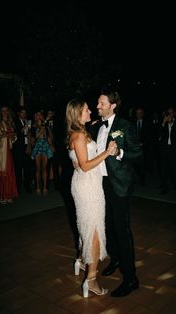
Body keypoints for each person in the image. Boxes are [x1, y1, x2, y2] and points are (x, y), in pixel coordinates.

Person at [89, 87, 143, 297]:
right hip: (99, 184)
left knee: (122, 229)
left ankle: (131, 279)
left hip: (119, 185)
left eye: (101, 103)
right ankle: (116, 258)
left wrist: (119, 152)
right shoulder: (96, 127)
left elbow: (138, 155)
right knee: (108, 228)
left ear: (112, 105)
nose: (97, 106)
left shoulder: (125, 126)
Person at [66, 98, 117, 298]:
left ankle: (80, 259)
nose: (91, 111)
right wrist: (107, 152)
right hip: (88, 187)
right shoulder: (79, 135)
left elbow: (78, 161)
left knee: (86, 226)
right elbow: (85, 165)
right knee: (94, 232)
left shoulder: (80, 132)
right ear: (78, 114)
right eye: (87, 109)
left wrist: (78, 161)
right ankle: (92, 280)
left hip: (88, 184)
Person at [0, 106, 19, 204]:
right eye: (3, 111)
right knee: (2, 171)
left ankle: (8, 195)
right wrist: (7, 135)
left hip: (8, 150)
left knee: (9, 172)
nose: (5, 112)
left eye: (6, 110)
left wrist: (13, 136)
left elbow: (13, 138)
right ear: (0, 112)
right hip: (1, 151)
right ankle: (2, 196)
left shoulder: (10, 123)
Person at [30, 110, 53, 194]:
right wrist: (38, 134)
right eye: (37, 115)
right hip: (37, 148)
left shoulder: (46, 127)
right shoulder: (33, 127)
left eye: (40, 115)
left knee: (44, 168)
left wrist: (48, 135)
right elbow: (32, 141)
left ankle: (45, 187)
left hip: (45, 147)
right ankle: (37, 187)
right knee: (37, 169)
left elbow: (51, 139)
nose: (39, 117)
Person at [13, 106, 33, 194]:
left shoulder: (28, 121)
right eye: (22, 112)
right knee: (18, 168)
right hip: (18, 148)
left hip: (27, 146)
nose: (24, 114)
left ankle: (27, 186)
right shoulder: (15, 122)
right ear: (18, 113)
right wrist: (24, 127)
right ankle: (17, 188)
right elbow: (16, 134)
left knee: (27, 167)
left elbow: (30, 133)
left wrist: (29, 146)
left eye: (25, 113)